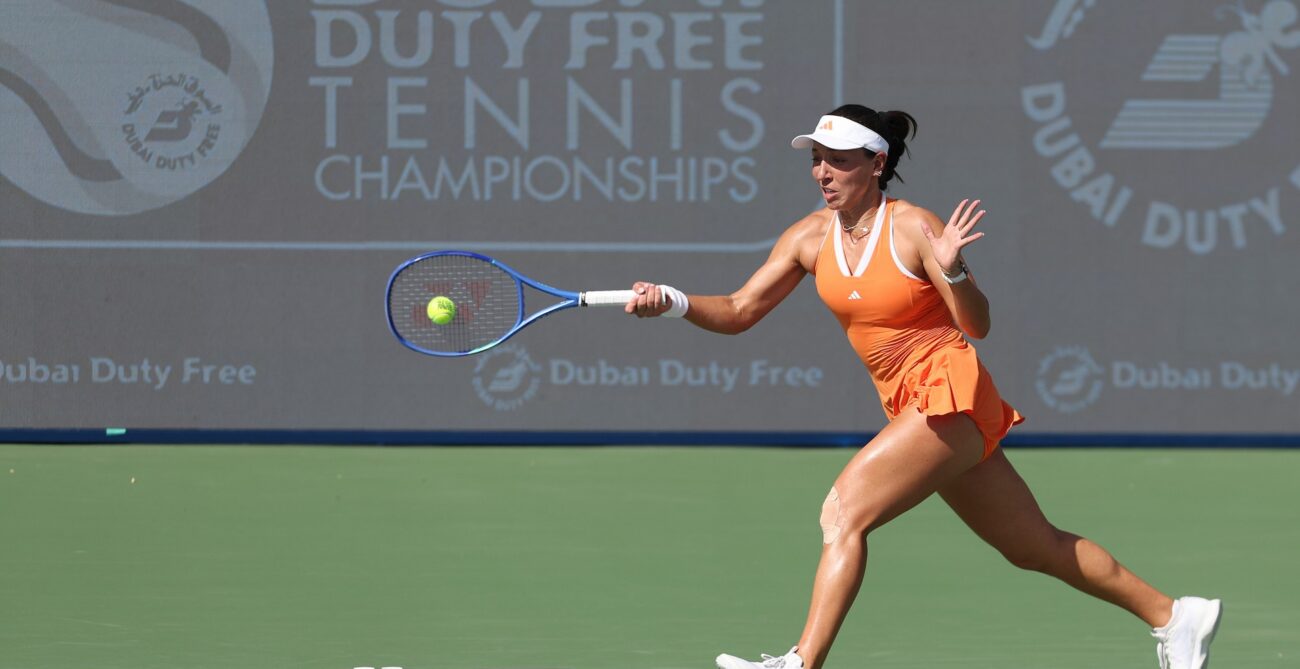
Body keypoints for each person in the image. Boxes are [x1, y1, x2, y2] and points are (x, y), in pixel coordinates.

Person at [623, 104, 1221, 669]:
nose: (822, 171)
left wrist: (955, 269)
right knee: (1032, 546)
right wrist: (672, 303)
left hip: (949, 391)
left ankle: (801, 661)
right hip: (913, 407)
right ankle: (1175, 617)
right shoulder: (809, 237)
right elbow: (737, 308)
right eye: (816, 159)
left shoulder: (913, 228)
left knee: (844, 513)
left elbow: (977, 326)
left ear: (876, 164)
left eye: (839, 159)